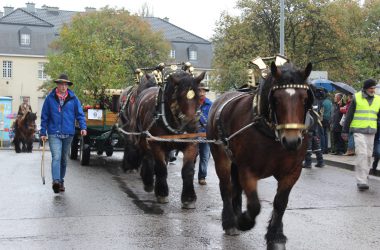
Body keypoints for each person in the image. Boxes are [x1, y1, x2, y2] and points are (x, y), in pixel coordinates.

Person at [40, 73, 87, 194]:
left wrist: (83, 127)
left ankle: (61, 181)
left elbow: (80, 114)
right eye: (61, 84)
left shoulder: (73, 98)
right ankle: (56, 181)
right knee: (56, 157)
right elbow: (44, 116)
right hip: (54, 133)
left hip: (68, 133)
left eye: (65, 84)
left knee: (64, 159)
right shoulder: (50, 98)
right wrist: (42, 132)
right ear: (57, 85)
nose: (63, 86)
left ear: (67, 85)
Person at [342, 79, 380, 191]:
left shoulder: (378, 99)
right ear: (365, 88)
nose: (373, 90)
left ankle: (365, 175)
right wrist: (345, 130)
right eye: (371, 88)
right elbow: (349, 115)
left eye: (374, 88)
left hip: (371, 131)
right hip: (358, 131)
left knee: (368, 155)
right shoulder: (357, 97)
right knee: (362, 154)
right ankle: (361, 180)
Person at [303, 88, 325, 168]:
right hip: (315, 125)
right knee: (316, 145)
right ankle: (320, 161)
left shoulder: (309, 100)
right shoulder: (317, 100)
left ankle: (308, 163)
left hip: (309, 125)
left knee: (307, 145)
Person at [197, 83, 213, 185]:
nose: (201, 93)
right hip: (193, 134)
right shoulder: (192, 103)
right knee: (191, 157)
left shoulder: (210, 104)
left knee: (204, 157)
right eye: (199, 91)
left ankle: (202, 177)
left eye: (203, 91)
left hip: (206, 134)